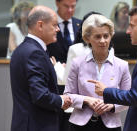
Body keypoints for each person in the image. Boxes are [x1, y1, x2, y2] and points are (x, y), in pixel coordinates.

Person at [64, 14, 131, 131]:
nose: (103, 41)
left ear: (111, 36)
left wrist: (111, 106)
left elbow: (128, 98)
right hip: (80, 125)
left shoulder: (122, 65)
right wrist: (87, 100)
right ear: (87, 38)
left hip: (110, 125)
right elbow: (68, 95)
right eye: (97, 37)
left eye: (106, 36)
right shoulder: (77, 63)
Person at [10, 5, 72, 131]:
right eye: (54, 25)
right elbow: (40, 95)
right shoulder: (35, 53)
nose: (58, 29)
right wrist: (61, 100)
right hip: (37, 125)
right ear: (40, 25)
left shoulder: (22, 49)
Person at [47, 1, 81, 130]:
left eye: (73, 6)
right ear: (57, 3)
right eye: (66, 6)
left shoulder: (80, 24)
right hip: (55, 85)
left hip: (76, 85)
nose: (70, 10)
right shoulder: (49, 24)